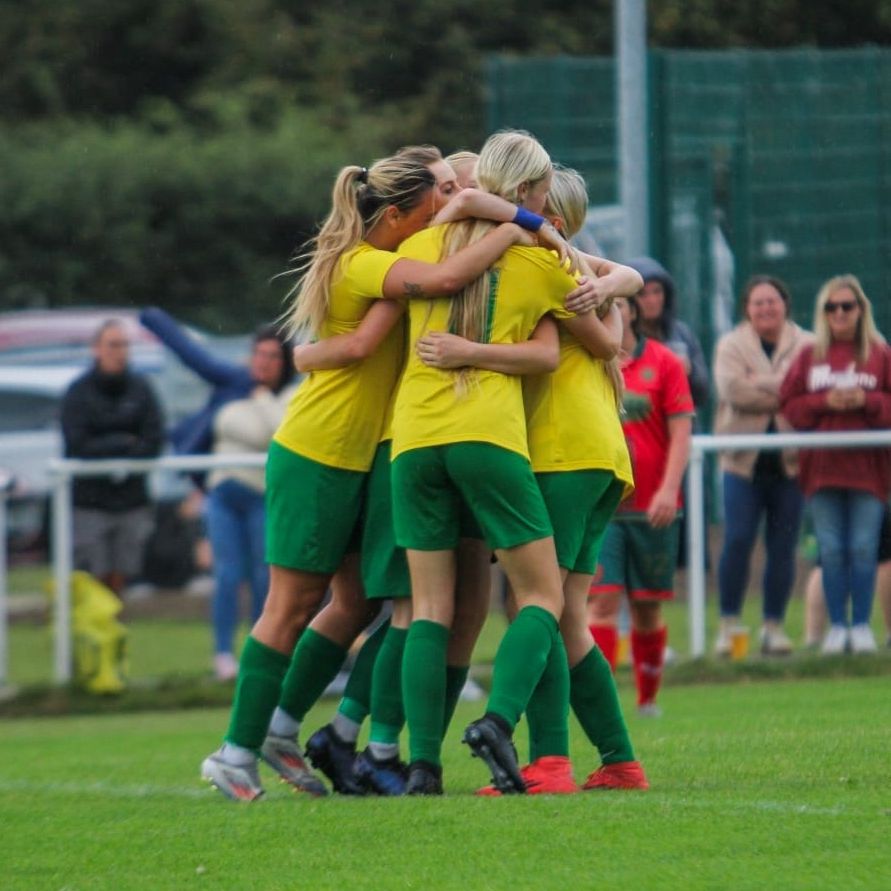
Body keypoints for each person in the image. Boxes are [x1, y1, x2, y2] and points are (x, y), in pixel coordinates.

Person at [200, 150, 550, 802]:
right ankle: (234, 753)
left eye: (456, 190)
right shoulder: (369, 264)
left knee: (358, 599)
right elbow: (434, 288)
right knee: (289, 604)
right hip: (319, 450)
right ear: (396, 214)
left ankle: (283, 729)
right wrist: (518, 224)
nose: (448, 203)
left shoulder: (389, 260)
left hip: (367, 458)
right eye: (436, 196)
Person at [389, 129, 620, 795]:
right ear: (529, 190)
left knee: (429, 607)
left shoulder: (420, 243)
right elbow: (600, 346)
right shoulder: (540, 259)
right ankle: (496, 721)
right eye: (542, 187)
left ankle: (420, 766)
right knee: (542, 594)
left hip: (413, 439)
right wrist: (613, 288)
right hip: (488, 436)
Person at [140, 309, 296, 680]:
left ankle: (260, 651)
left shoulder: (293, 395)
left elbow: (278, 433)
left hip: (263, 496)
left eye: (274, 357)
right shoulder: (234, 381)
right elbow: (195, 358)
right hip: (224, 493)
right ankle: (223, 655)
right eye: (259, 355)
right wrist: (153, 319)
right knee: (227, 575)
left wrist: (260, 401)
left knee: (263, 576)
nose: (264, 364)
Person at [588, 291, 694, 716]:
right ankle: (601, 704)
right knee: (603, 601)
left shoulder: (665, 362)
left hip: (653, 506)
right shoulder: (590, 360)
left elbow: (682, 430)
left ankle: (648, 699)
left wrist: (669, 489)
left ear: (631, 310)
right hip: (605, 508)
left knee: (647, 608)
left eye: (618, 301)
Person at [779, 274, 891, 654]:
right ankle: (836, 628)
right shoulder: (809, 356)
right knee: (830, 551)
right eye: (832, 307)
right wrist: (826, 402)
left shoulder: (879, 353)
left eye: (847, 306)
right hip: (822, 471)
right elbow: (790, 405)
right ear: (823, 313)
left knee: (863, 548)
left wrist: (867, 400)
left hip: (869, 472)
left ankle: (860, 627)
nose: (840, 313)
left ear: (861, 310)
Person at [712, 276, 813, 656]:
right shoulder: (730, 344)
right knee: (737, 541)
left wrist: (763, 383)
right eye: (758, 303)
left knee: (783, 546)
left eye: (772, 301)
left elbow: (809, 393)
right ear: (747, 309)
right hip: (742, 465)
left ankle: (774, 626)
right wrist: (786, 389)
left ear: (785, 304)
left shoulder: (808, 344)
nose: (766, 309)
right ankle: (729, 625)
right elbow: (732, 390)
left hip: (791, 466)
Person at [60, 319, 165, 596]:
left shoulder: (141, 389)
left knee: (122, 575)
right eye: (113, 345)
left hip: (131, 500)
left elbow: (153, 440)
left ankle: (112, 634)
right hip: (90, 502)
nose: (120, 351)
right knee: (92, 575)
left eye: (125, 345)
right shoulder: (79, 392)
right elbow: (77, 444)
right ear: (96, 349)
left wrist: (108, 445)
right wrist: (122, 442)